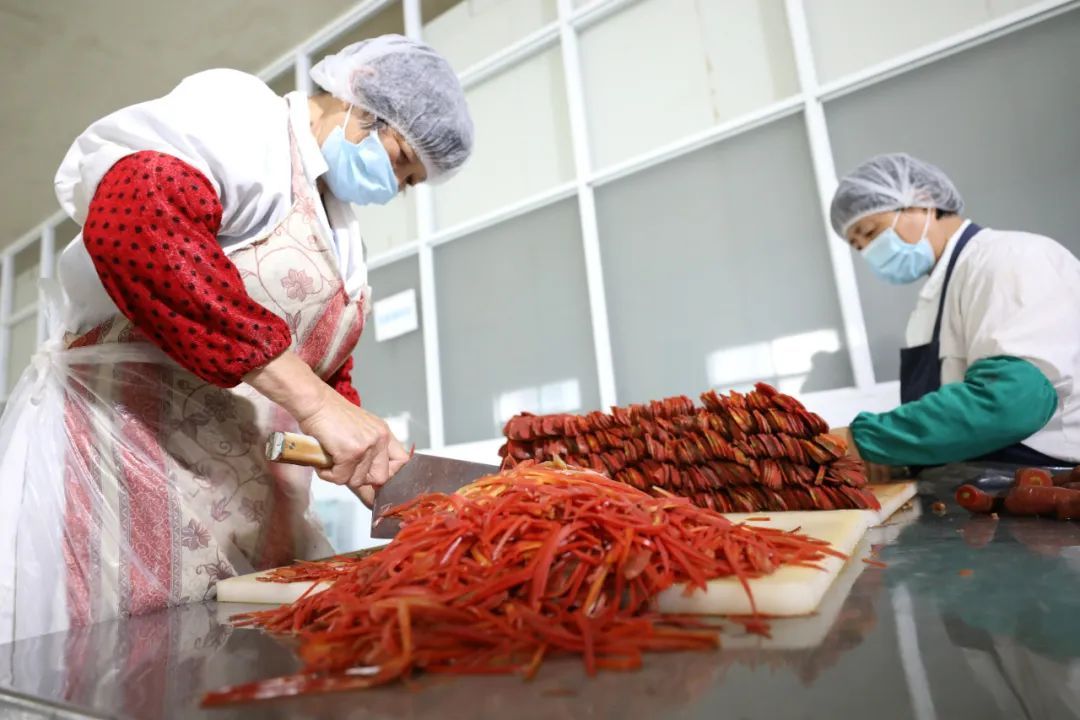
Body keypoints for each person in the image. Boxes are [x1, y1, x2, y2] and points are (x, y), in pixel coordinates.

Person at [0, 35, 473, 642]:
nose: (393, 184)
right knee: (121, 663)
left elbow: (321, 370)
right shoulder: (246, 120)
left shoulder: (343, 233)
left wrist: (363, 451)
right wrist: (318, 405)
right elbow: (135, 219)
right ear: (361, 97)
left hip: (241, 508)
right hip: (124, 470)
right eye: (400, 157)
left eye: (408, 182)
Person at [828, 153, 1080, 482]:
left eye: (871, 232)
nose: (869, 251)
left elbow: (1012, 403)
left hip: (1048, 485)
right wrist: (898, 458)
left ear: (923, 200)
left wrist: (866, 440)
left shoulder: (1009, 259)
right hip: (976, 488)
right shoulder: (932, 303)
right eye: (858, 246)